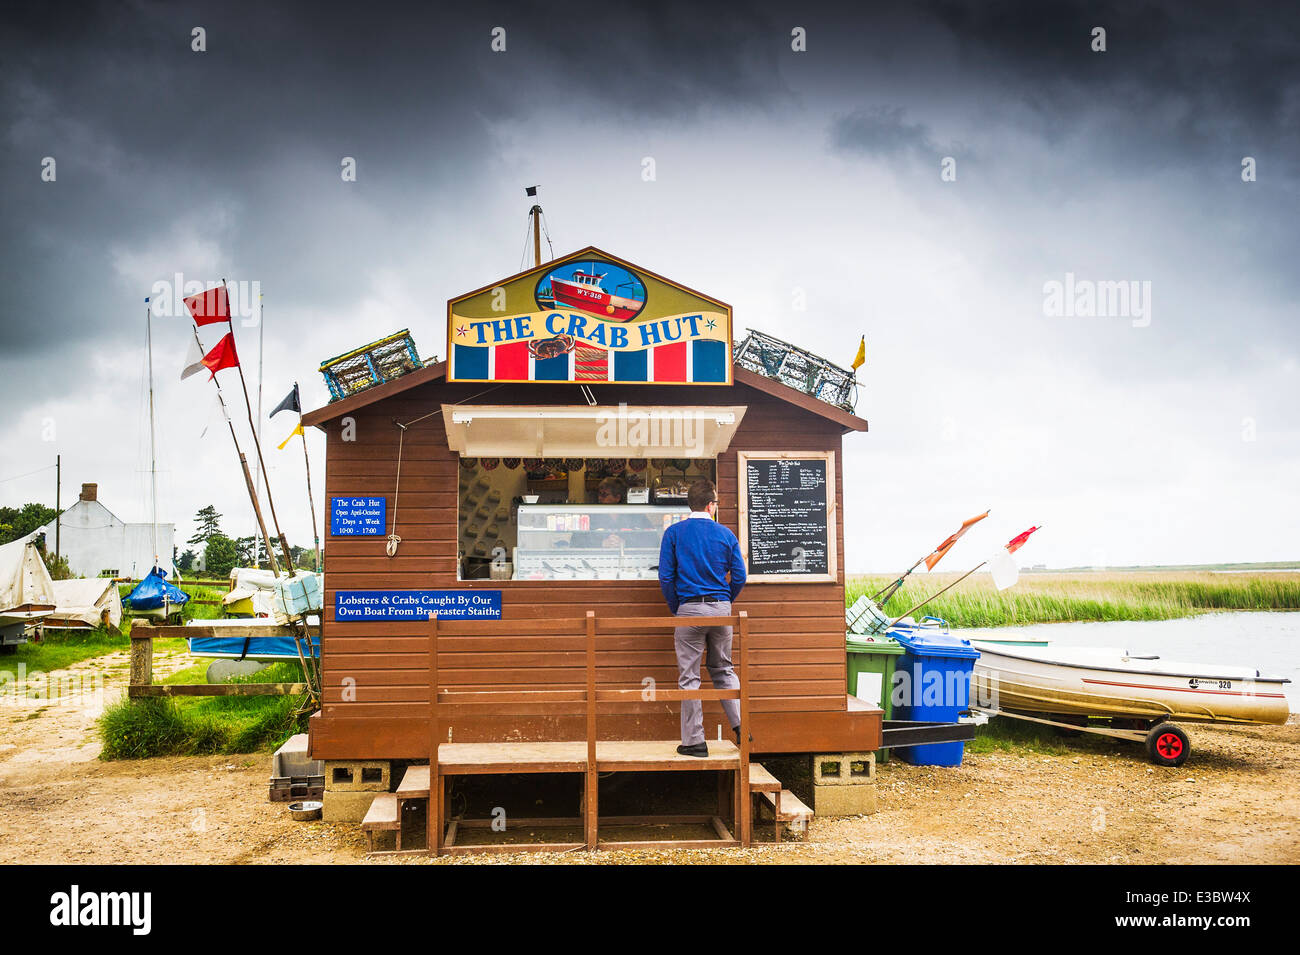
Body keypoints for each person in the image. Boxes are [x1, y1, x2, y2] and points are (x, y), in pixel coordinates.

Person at [657, 478, 748, 756]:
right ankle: (743, 728)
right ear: (711, 505)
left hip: (689, 610)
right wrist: (724, 602)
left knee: (689, 677)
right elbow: (740, 576)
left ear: (691, 504)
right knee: (723, 669)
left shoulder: (674, 533)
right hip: (721, 610)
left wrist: (678, 607)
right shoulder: (725, 535)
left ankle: (695, 742)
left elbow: (665, 577)